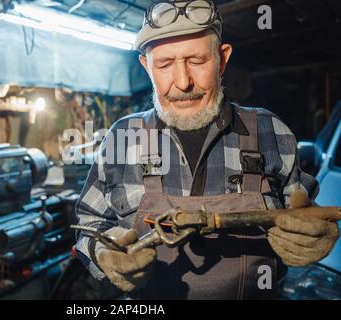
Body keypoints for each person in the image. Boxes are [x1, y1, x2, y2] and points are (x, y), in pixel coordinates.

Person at [74, 0, 339, 299]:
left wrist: (316, 235)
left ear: (222, 59)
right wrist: (104, 253)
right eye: (164, 65)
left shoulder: (271, 131)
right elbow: (88, 224)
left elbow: (307, 217)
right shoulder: (122, 137)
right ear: (147, 68)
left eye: (197, 61)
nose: (184, 82)